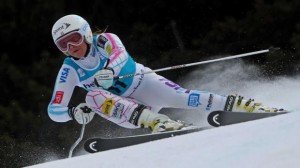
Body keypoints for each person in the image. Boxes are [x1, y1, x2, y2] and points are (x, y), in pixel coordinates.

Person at [48, 14, 284, 133]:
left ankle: (244, 105)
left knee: (183, 97)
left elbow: (120, 55)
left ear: (86, 33)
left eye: (74, 39)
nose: (71, 48)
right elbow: (54, 110)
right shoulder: (69, 70)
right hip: (129, 113)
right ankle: (159, 123)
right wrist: (72, 112)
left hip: (143, 83)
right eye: (63, 46)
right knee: (92, 97)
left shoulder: (105, 41)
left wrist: (109, 70)